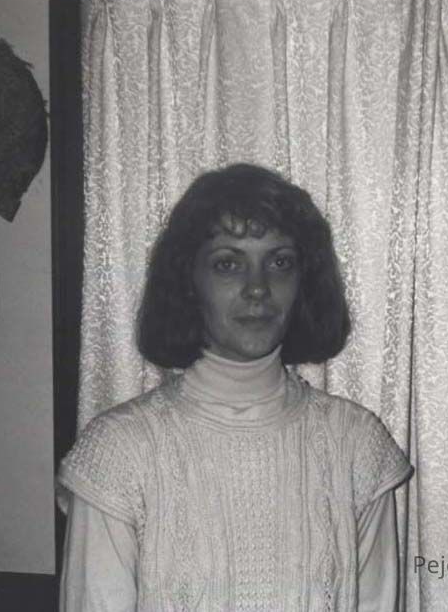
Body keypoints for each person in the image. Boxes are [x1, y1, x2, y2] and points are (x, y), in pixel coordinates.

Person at [57, 163, 413, 611]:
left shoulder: (356, 446)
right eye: (228, 264)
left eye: (279, 263)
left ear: (303, 283)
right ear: (189, 282)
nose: (258, 288)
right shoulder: (118, 453)